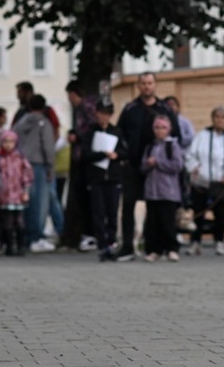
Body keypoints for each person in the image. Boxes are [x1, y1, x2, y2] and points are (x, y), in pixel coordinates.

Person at [116, 72, 181, 261]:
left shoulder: (164, 109)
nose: (146, 86)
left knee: (160, 208)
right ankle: (127, 246)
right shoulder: (130, 109)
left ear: (155, 85)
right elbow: (120, 135)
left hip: (159, 169)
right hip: (134, 166)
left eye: (150, 83)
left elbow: (175, 135)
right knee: (128, 205)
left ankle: (161, 247)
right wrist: (125, 156)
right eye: (143, 83)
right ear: (138, 86)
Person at [184, 105, 224, 256]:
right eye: (217, 117)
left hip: (220, 183)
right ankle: (195, 242)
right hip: (201, 182)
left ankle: (219, 241)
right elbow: (190, 155)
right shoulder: (202, 135)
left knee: (219, 213)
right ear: (213, 119)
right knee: (199, 211)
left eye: (223, 118)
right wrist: (194, 168)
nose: (220, 120)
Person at [16, 93, 59, 252]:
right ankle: (37, 236)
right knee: (39, 203)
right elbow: (48, 147)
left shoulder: (21, 122)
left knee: (25, 201)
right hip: (38, 164)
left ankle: (26, 236)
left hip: (21, 164)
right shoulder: (44, 123)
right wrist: (50, 167)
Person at [84, 99, 127, 261]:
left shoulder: (116, 131)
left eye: (107, 114)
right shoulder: (91, 131)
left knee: (112, 211)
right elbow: (86, 154)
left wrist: (116, 155)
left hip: (113, 177)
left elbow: (124, 151)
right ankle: (102, 244)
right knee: (99, 212)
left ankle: (112, 242)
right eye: (102, 113)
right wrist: (102, 154)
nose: (104, 117)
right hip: (97, 177)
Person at [141, 116, 185, 262]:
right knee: (153, 224)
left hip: (168, 192)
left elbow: (177, 165)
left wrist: (158, 162)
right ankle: (154, 250)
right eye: (157, 128)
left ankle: (172, 248)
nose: (160, 131)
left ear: (168, 129)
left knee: (168, 223)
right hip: (152, 192)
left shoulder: (172, 146)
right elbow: (142, 166)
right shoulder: (150, 146)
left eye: (163, 128)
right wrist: (148, 164)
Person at [63, 81, 100, 252]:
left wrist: (76, 136)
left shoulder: (86, 107)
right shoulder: (84, 107)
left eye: (70, 96)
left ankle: (89, 233)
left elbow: (90, 130)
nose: (70, 100)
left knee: (85, 198)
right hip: (83, 156)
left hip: (85, 157)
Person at [0, 130, 32, 255]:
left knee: (19, 222)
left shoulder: (20, 158)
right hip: (4, 195)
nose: (8, 145)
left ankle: (21, 246)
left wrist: (26, 191)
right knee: (7, 222)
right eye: (5, 142)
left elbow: (27, 176)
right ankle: (9, 246)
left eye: (11, 142)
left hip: (18, 194)